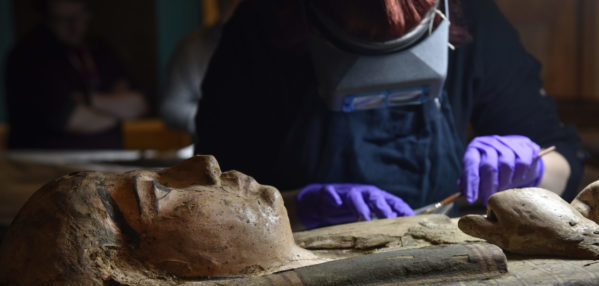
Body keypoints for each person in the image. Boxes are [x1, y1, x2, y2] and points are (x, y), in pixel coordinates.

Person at [195, 0, 587, 230]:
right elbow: (208, 201)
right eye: (365, 33)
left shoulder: (473, 17)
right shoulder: (260, 31)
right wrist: (295, 206)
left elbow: (564, 163)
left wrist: (530, 170)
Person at [5, 0, 148, 149]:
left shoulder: (99, 49)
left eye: (81, 16)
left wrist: (85, 100)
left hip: (106, 157)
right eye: (64, 20)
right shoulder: (29, 55)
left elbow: (137, 104)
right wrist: (118, 111)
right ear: (46, 19)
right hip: (45, 161)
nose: (76, 27)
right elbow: (70, 118)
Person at [160, 0, 242, 134]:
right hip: (210, 145)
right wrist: (216, 120)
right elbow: (171, 107)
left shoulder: (274, 47)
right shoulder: (192, 48)